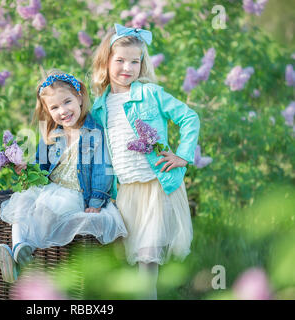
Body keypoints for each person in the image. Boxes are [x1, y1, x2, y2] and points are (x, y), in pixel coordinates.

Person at [90, 24, 200, 299]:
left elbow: (189, 118)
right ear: (106, 61)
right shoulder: (99, 106)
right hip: (125, 191)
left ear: (142, 64)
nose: (127, 67)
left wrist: (183, 155)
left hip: (155, 185)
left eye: (134, 61)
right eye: (120, 60)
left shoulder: (150, 94)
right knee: (133, 252)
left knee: (148, 256)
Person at [0, 69, 127, 283]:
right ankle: (18, 249)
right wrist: (26, 169)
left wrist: (96, 201)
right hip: (50, 188)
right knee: (21, 205)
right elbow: (41, 166)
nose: (63, 111)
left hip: (75, 193)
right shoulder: (52, 133)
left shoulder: (95, 132)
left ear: (80, 97)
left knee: (48, 213)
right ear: (47, 111)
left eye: (67, 102)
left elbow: (103, 170)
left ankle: (25, 264)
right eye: (54, 107)